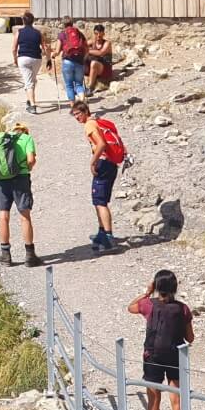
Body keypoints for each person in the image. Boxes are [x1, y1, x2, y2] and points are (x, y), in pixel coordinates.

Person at [127, 269, 195, 410]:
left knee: (154, 400)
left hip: (153, 357)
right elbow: (190, 338)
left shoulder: (148, 305)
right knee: (177, 401)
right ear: (175, 287)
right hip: (175, 356)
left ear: (156, 286)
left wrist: (147, 292)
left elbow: (130, 307)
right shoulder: (183, 309)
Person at [71, 100, 123, 251]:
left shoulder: (89, 124)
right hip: (110, 164)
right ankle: (102, 233)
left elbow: (101, 144)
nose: (77, 117)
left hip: (103, 163)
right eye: (74, 115)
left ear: (85, 111)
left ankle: (108, 238)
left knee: (100, 201)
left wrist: (92, 162)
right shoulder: (96, 122)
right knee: (99, 200)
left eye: (78, 113)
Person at [0, 122, 40, 267]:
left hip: (2, 179)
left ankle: (6, 255)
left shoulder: (3, 139)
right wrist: (27, 169)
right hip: (20, 179)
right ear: (25, 131)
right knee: (24, 216)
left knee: (3, 215)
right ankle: (30, 256)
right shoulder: (27, 139)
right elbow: (31, 160)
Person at [12, 12, 46, 114]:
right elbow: (44, 47)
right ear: (33, 21)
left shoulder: (19, 32)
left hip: (23, 59)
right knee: (32, 80)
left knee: (29, 82)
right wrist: (48, 58)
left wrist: (15, 59)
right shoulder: (38, 33)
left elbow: (14, 48)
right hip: (36, 59)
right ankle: (29, 99)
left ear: (23, 21)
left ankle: (32, 105)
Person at [56, 19, 88, 104]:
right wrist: (84, 59)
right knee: (79, 84)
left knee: (69, 85)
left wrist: (53, 55)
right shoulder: (79, 33)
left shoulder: (62, 34)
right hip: (79, 62)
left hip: (67, 61)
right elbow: (87, 49)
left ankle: (73, 107)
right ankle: (82, 100)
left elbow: (57, 51)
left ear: (63, 25)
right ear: (72, 24)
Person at [84, 23, 115, 96]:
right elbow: (82, 47)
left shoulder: (107, 43)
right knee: (81, 60)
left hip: (105, 67)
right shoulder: (92, 42)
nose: (98, 36)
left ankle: (90, 88)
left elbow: (101, 53)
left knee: (94, 63)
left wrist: (88, 50)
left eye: (100, 35)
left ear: (103, 34)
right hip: (95, 67)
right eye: (96, 34)